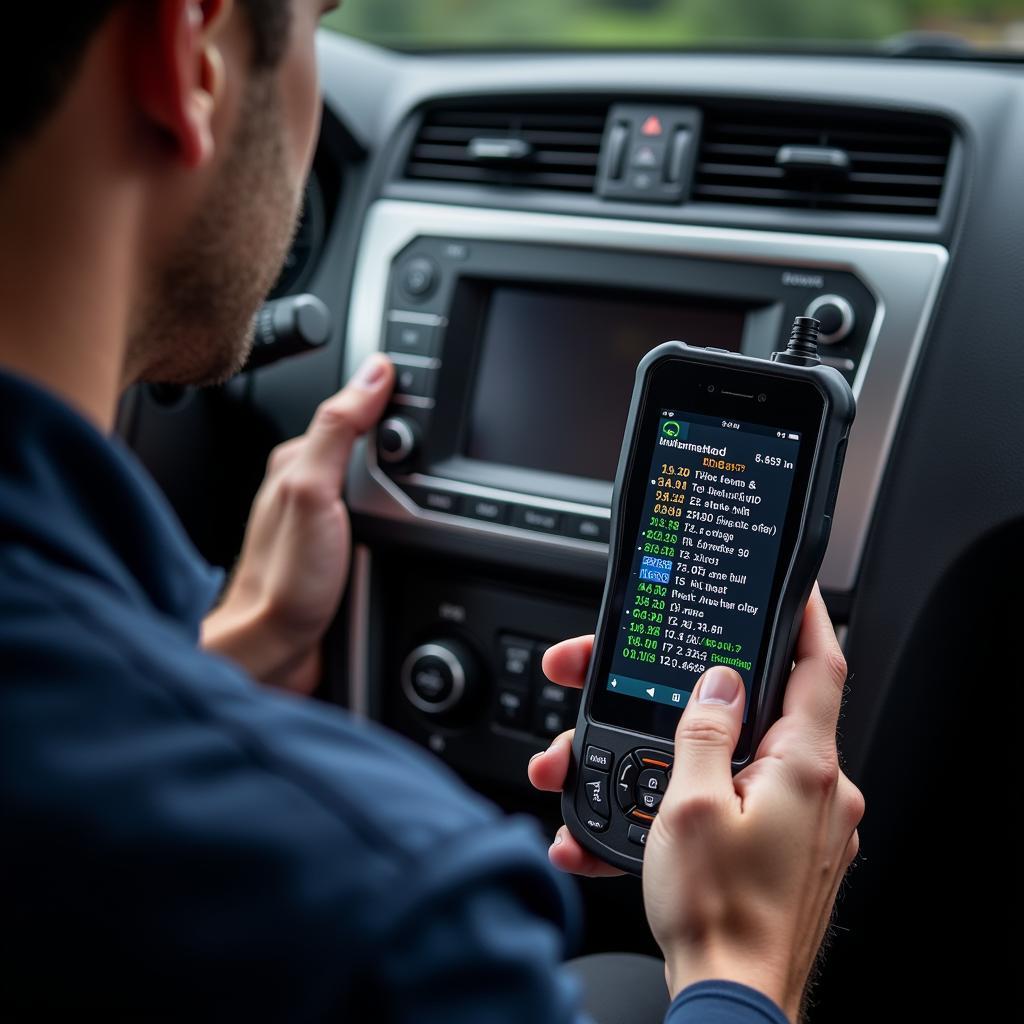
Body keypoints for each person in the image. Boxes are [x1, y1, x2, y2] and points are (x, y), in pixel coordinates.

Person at [0, 2, 864, 1020]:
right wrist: (740, 961)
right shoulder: (395, 917)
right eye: (315, 20)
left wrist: (230, 644)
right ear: (192, 54)